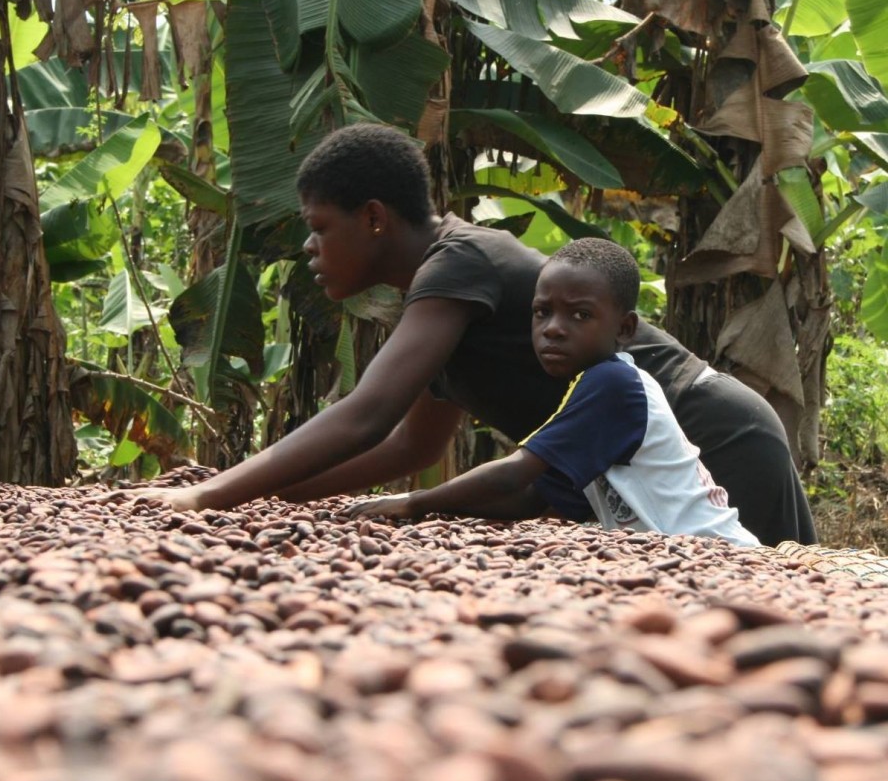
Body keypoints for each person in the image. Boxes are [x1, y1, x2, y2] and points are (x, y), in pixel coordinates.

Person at [111, 123, 814, 546]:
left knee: (785, 623)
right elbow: (411, 444)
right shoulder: (438, 296)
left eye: (320, 228)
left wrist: (210, 497)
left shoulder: (459, 263)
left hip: (712, 432)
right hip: (649, 465)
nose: (310, 247)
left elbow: (367, 415)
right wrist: (262, 494)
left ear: (376, 218)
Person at [342, 239, 761, 547]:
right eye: (542, 312)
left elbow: (514, 473)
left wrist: (416, 502)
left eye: (580, 315)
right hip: (688, 557)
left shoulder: (613, 384)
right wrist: (439, 513)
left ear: (625, 329)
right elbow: (528, 499)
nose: (553, 328)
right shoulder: (592, 388)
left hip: (720, 552)